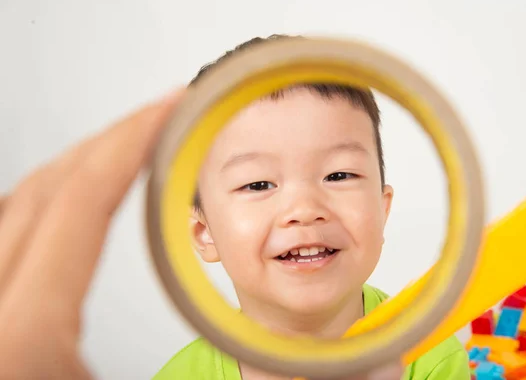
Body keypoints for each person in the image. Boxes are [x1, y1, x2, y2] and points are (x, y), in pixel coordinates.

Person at [153, 35, 470, 379]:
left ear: (382, 209)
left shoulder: (430, 354)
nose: (305, 209)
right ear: (204, 233)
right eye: (258, 184)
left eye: (338, 175)